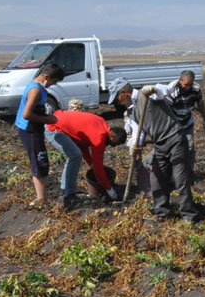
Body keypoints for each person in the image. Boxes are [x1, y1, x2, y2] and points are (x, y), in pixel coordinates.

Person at [109, 77, 198, 222]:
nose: (117, 102)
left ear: (124, 92)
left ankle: (188, 215)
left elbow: (166, 90)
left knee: (181, 178)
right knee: (157, 178)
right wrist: (134, 145)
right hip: (160, 144)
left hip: (175, 138)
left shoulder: (149, 94)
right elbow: (139, 132)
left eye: (117, 98)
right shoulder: (132, 112)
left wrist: (153, 89)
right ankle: (161, 214)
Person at [45, 110, 127, 207]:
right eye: (114, 144)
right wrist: (109, 188)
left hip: (57, 121)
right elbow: (98, 167)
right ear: (112, 137)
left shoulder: (101, 123)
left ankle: (67, 191)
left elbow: (82, 144)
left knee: (76, 153)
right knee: (75, 155)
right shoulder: (99, 138)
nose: (112, 147)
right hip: (54, 128)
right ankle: (66, 194)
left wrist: (91, 163)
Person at [14, 63, 63, 207]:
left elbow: (36, 110)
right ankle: (41, 200)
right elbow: (27, 114)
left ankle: (42, 198)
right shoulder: (35, 90)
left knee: (40, 161)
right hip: (30, 130)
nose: (53, 85)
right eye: (54, 81)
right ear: (47, 76)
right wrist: (48, 119)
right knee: (40, 162)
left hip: (34, 129)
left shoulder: (38, 87)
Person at [163, 70, 205, 172]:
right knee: (175, 150)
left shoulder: (196, 89)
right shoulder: (171, 91)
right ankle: (173, 173)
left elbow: (200, 103)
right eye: (186, 85)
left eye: (190, 84)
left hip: (187, 121)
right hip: (174, 124)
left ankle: (188, 173)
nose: (188, 87)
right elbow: (166, 111)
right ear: (180, 81)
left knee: (190, 147)